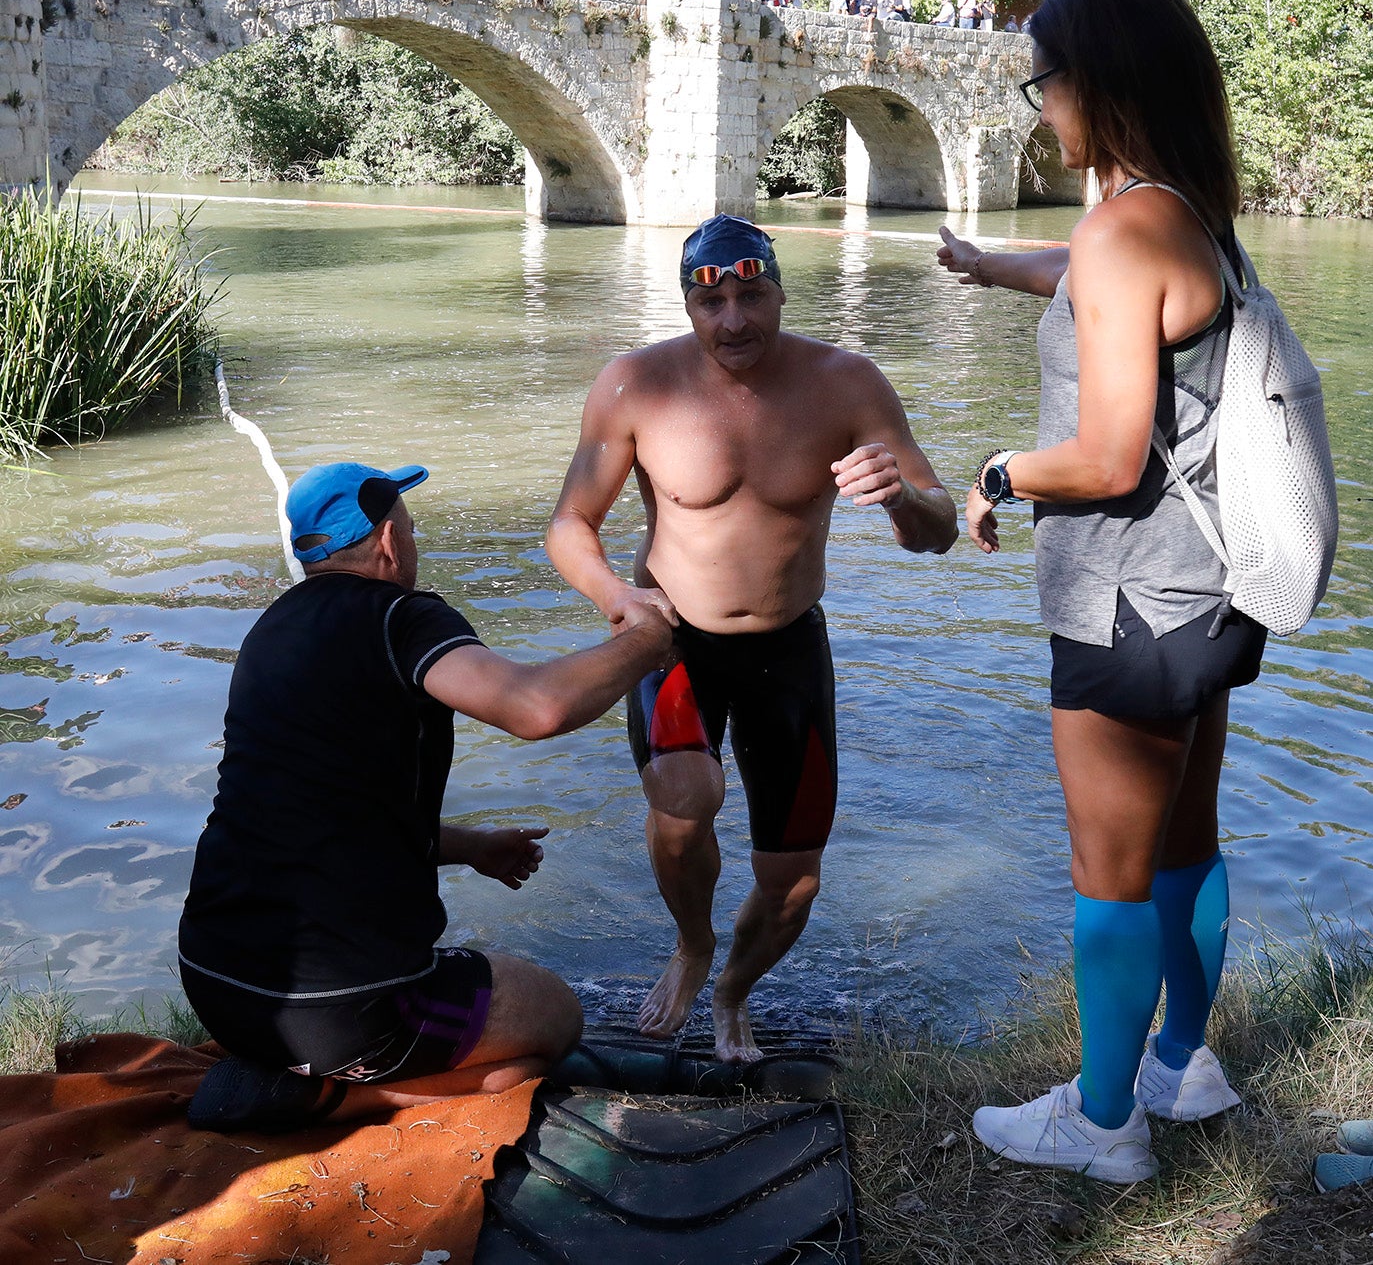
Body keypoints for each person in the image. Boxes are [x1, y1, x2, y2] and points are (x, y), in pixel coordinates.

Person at [936, 0, 1268, 1183]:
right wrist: (985, 263)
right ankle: (1186, 1061)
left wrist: (999, 475)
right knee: (1188, 837)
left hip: (1130, 602)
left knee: (1109, 872)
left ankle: (1105, 1117)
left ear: (1098, 82)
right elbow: (1095, 284)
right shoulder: (1185, 213)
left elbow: (1111, 450)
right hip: (1211, 589)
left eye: (1046, 79)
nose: (1041, 105)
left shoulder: (1125, 226)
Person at [546, 216, 957, 1063]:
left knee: (794, 882)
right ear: (690, 308)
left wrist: (901, 500)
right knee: (685, 800)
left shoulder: (845, 383)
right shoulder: (636, 385)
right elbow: (570, 527)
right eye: (713, 302)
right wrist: (619, 598)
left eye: (752, 295)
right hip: (673, 638)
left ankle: (733, 986)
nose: (734, 320)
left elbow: (939, 527)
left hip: (789, 646)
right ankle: (693, 940)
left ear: (779, 290)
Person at [180, 461, 671, 1133]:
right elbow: (535, 707)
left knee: (479, 1013)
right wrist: (648, 639)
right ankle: (335, 1097)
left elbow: (320, 813)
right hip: (342, 1011)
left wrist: (471, 847)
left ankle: (294, 1069)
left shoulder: (269, 633)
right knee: (554, 1018)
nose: (413, 541)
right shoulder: (403, 616)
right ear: (388, 541)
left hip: (217, 982)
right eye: (409, 526)